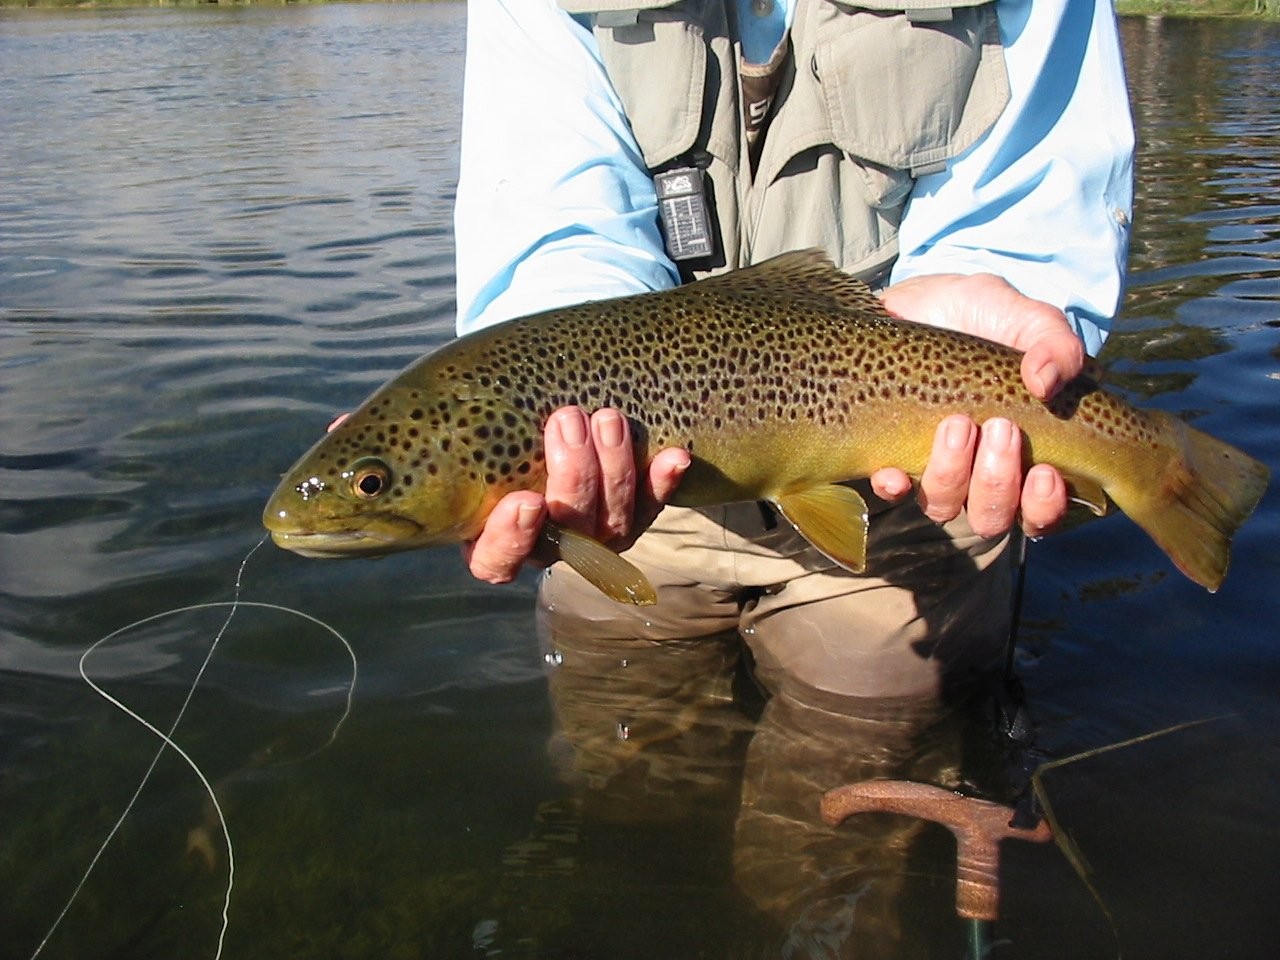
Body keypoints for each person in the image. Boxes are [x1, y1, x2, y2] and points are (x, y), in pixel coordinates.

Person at [451, 0, 1133, 951]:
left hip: (918, 476)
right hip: (628, 491)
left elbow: (1032, 186)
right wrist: (557, 406)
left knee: (833, 841)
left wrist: (991, 306)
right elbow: (551, 210)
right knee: (630, 799)